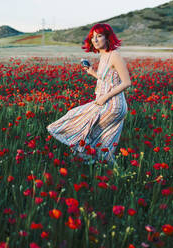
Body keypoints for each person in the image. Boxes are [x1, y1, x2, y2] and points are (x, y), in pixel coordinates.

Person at [46, 23, 132, 165]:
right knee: (104, 146)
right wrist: (93, 73)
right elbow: (108, 80)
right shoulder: (104, 56)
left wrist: (105, 97)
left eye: (99, 36)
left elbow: (126, 82)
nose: (95, 40)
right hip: (108, 103)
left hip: (112, 104)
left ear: (108, 38)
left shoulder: (114, 55)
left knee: (77, 120)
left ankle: (84, 161)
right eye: (93, 37)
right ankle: (115, 176)